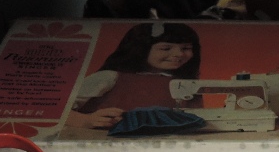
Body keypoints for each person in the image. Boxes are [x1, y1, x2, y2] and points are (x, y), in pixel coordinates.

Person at [67, 22, 202, 130]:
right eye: (166, 48)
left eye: (186, 48)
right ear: (141, 49)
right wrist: (86, 121)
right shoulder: (110, 77)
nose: (179, 54)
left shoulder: (186, 84)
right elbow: (60, 111)